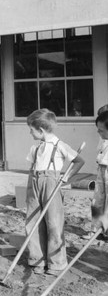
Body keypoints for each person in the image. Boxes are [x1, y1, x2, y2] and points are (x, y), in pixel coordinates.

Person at [25, 108, 84, 275]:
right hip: (34, 184)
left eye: (31, 129)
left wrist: (66, 178)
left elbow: (79, 161)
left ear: (41, 130)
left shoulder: (60, 146)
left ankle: (56, 263)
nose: (30, 132)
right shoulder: (35, 149)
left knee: (53, 223)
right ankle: (37, 259)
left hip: (52, 184)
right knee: (33, 221)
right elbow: (32, 168)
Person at [84, 106, 108, 240]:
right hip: (101, 169)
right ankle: (96, 230)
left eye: (101, 130)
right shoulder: (103, 138)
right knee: (97, 201)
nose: (98, 132)